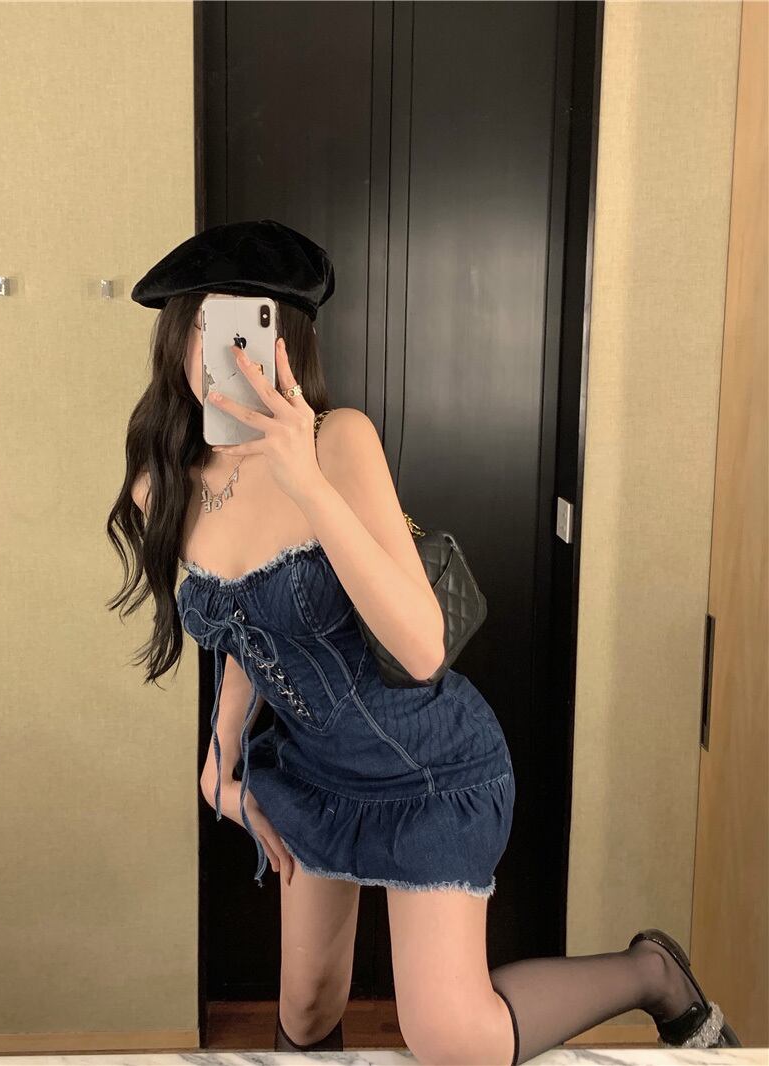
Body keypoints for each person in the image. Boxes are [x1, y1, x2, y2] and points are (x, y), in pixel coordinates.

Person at [107, 219, 740, 1064]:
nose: (215, 352)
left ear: (284, 338)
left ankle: (651, 972)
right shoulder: (163, 484)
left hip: (431, 768)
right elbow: (243, 634)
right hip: (316, 774)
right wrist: (218, 761)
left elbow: (421, 649)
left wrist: (304, 479)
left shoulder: (338, 442)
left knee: (451, 1039)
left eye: (241, 326)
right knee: (305, 1010)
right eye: (199, 323)